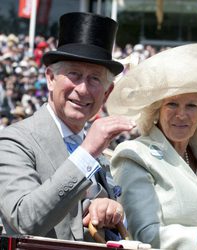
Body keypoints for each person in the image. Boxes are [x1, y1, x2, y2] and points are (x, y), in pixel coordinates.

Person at [0, 12, 135, 241]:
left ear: (107, 93)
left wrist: (106, 208)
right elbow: (24, 221)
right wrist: (87, 152)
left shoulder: (100, 152)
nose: (82, 89)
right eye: (74, 74)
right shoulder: (15, 141)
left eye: (95, 79)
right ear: (51, 79)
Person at [106, 43, 197, 249]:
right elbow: (145, 235)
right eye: (172, 104)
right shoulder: (134, 155)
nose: (181, 114)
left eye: (191, 105)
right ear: (156, 110)